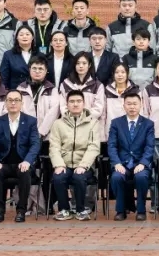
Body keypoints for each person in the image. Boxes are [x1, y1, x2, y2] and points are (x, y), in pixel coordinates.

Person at [0, 89, 42, 223]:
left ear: (22, 103)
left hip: (23, 163)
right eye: (10, 100)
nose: (13, 103)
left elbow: (35, 144)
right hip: (4, 163)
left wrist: (28, 161)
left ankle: (21, 210)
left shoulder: (30, 121)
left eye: (16, 100)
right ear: (5, 103)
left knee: (24, 172)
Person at [49, 90, 101, 221]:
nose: (75, 104)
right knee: (58, 177)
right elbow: (54, 146)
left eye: (78, 101)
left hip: (84, 165)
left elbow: (93, 147)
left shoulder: (93, 123)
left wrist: (83, 165)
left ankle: (80, 210)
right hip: (64, 164)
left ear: (84, 103)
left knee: (79, 177)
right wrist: (59, 165)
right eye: (72, 101)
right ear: (67, 104)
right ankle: (64, 209)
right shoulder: (58, 123)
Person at [108, 94, 155, 221]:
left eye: (135, 104)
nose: (132, 107)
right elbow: (112, 145)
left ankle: (141, 210)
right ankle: (121, 210)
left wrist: (143, 163)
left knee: (141, 177)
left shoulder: (148, 124)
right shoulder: (116, 123)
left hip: (140, 163)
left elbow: (149, 147)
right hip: (122, 163)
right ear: (124, 106)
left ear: (140, 106)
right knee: (117, 177)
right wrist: (117, 163)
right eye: (129, 104)